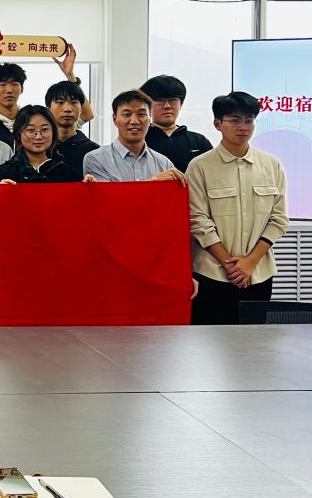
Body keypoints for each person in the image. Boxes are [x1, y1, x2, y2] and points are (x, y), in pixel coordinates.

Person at [187, 92, 288, 325]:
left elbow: (279, 218)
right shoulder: (200, 166)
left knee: (254, 341)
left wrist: (250, 262)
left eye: (249, 120)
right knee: (210, 342)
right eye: (234, 120)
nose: (243, 127)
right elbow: (197, 220)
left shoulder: (271, 165)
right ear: (218, 123)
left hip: (258, 273)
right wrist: (231, 266)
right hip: (212, 274)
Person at [0, 45, 94, 147]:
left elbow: (86, 114)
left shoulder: (33, 118)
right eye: (2, 85)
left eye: (14, 84)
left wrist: (70, 76)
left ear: (22, 89)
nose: (9, 90)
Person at [82, 90, 186, 184]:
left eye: (141, 114)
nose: (134, 121)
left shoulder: (164, 163)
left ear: (149, 120)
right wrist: (153, 182)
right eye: (127, 114)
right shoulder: (96, 159)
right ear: (115, 119)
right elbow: (107, 198)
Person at [140, 75, 214, 172]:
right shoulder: (140, 140)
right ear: (147, 105)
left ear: (181, 104)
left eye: (173, 100)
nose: (167, 106)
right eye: (160, 100)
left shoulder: (199, 142)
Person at [0, 105, 81, 183]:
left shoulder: (67, 173)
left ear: (53, 132)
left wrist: (88, 186)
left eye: (44, 130)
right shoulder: (5, 172)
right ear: (18, 134)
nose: (38, 137)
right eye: (30, 130)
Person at [46, 80, 100, 178]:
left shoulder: (94, 151)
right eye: (60, 102)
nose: (67, 109)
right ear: (48, 108)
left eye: (74, 102)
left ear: (81, 109)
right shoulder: (40, 148)